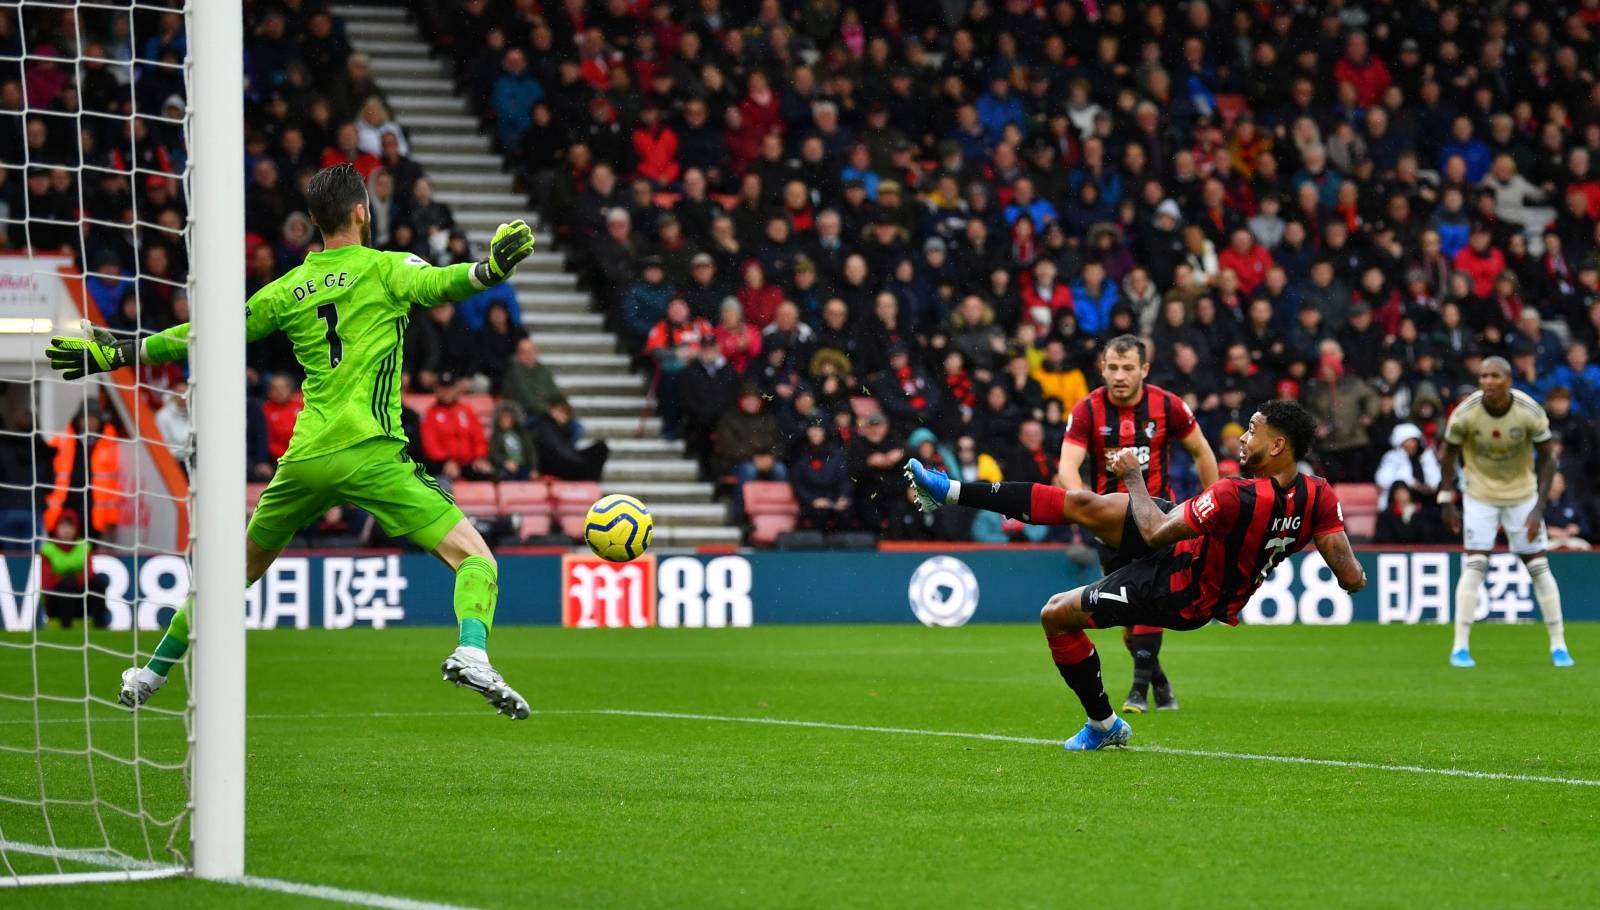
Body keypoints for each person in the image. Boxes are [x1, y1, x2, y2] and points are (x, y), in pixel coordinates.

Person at [46, 164, 538, 719]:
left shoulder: (286, 289)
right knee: (476, 559)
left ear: (314, 223)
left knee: (233, 575)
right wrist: (490, 268)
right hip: (371, 452)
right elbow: (444, 282)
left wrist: (124, 351)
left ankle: (150, 673)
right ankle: (472, 651)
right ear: (361, 211)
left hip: (304, 459)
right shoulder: (386, 268)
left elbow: (207, 333)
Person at [904, 400, 1364, 750]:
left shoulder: (1232, 495)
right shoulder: (1318, 496)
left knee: (1055, 614)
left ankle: (1104, 725)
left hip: (1181, 589)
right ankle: (949, 491)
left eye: (1252, 431)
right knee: (1086, 505)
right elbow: (1350, 577)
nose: (1242, 438)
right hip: (1192, 549)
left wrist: (1133, 476)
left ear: (1278, 445)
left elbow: (1155, 530)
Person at [1057, 335, 1220, 713]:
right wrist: (1087, 508)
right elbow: (1068, 468)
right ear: (1102, 368)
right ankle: (1159, 680)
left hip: (1157, 523)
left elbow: (1202, 452)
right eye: (1112, 367)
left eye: (1128, 368)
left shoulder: (1169, 406)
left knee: (1149, 601)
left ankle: (1137, 691)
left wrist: (1215, 506)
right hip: (1109, 527)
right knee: (1127, 617)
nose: (1119, 375)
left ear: (1144, 370)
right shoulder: (1087, 411)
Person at [1438, 357, 1573, 668]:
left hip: (1521, 496)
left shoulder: (1529, 411)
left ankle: (1558, 645)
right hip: (1480, 496)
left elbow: (1549, 459)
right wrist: (1446, 499)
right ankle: (1460, 647)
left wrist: (1539, 508)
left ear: (1508, 380)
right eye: (1483, 375)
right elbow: (1449, 454)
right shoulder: (1466, 413)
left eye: (1494, 376)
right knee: (1474, 565)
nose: (1487, 381)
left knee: (1538, 566)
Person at [39, 509, 109, 630]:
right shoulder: (48, 550)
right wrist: (69, 579)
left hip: (81, 597)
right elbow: (47, 583)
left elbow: (90, 573)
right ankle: (66, 626)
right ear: (57, 528)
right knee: (67, 583)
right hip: (56, 600)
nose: (67, 530)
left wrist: (75, 580)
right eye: (63, 526)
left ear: (76, 528)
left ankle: (100, 625)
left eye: (70, 526)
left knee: (99, 582)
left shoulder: (83, 547)